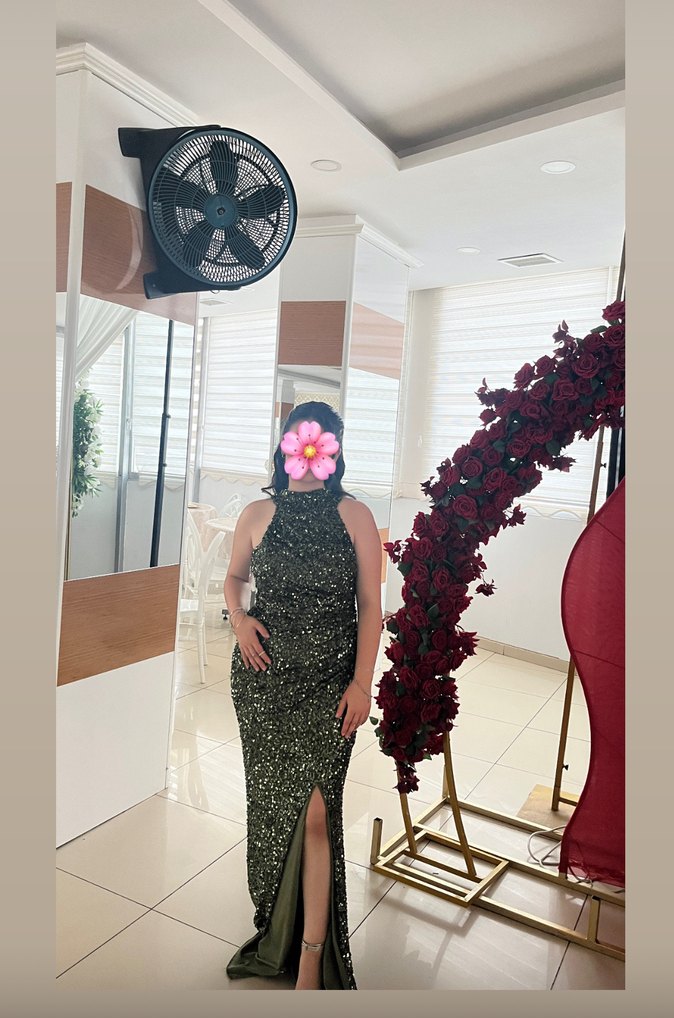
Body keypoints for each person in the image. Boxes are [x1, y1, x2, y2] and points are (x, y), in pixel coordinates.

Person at [223, 401, 383, 990]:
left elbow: (372, 607)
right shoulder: (256, 513)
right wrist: (239, 619)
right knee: (275, 812)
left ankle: (311, 959)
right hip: (263, 683)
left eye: (321, 443)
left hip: (329, 687)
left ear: (334, 450)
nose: (309, 452)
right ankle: (280, 927)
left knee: (317, 813)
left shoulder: (355, 515)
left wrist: (362, 683)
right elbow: (234, 578)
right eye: (299, 440)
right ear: (286, 445)